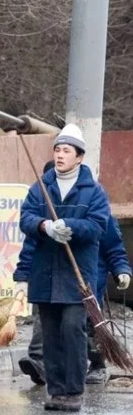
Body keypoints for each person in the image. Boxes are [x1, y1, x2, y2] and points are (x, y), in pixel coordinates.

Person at [15, 124, 109, 412]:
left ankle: (73, 390)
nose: (60, 155)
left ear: (79, 157)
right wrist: (44, 226)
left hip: (77, 275)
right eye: (57, 149)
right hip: (45, 273)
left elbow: (98, 226)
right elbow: (26, 218)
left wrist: (70, 227)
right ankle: (55, 391)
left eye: (66, 150)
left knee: (72, 329)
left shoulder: (92, 191)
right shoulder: (41, 186)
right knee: (51, 333)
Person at [17, 160, 132, 386]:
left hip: (88, 280)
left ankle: (97, 363)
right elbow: (31, 246)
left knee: (83, 326)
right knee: (47, 324)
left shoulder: (93, 204)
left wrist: (121, 269)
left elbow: (112, 244)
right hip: (50, 278)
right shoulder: (45, 210)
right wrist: (22, 275)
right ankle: (41, 363)